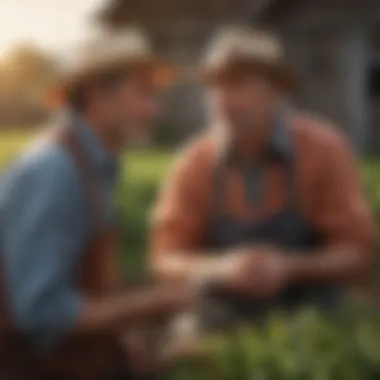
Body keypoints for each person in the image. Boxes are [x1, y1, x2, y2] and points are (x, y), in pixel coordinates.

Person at [0, 28, 198, 379]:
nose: (154, 110)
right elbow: (43, 311)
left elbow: (81, 285)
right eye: (144, 94)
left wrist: (117, 339)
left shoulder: (93, 167)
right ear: (98, 96)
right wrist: (152, 302)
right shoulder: (53, 172)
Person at [149, 26, 375, 324]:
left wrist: (289, 267)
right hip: (221, 313)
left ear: (275, 90)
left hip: (311, 313)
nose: (222, 99)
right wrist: (223, 269)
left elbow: (359, 252)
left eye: (237, 84)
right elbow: (165, 258)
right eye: (215, 86)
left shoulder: (322, 149)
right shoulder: (193, 163)